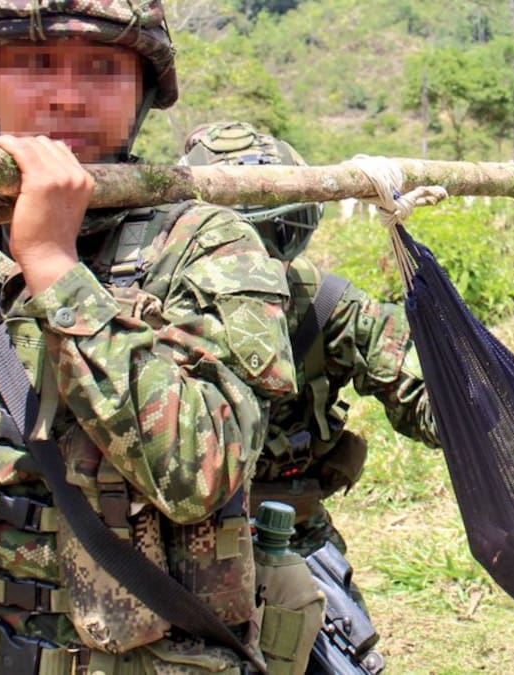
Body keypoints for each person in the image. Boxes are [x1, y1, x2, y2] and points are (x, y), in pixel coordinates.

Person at [0, 3, 298, 673]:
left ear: (141, 93)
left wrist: (53, 268)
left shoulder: (208, 245)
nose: (66, 95)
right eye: (34, 65)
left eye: (102, 68)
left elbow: (204, 472)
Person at [180, 121, 439, 567]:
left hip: (294, 540)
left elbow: (430, 401)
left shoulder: (326, 305)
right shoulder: (155, 304)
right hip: (176, 548)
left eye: (285, 225)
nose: (269, 251)